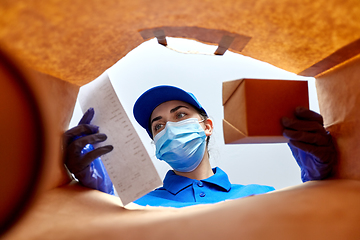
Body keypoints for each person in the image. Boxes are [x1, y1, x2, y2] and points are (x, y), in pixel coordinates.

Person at [63, 85, 336, 207]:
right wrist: (94, 192)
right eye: (158, 126)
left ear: (207, 126)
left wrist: (320, 176)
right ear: (155, 143)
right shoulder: (138, 203)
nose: (168, 127)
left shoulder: (262, 196)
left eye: (180, 115)